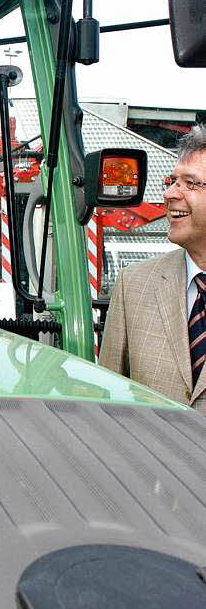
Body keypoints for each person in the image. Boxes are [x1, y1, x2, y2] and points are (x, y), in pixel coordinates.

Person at [99, 124, 206, 414]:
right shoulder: (133, 285)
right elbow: (108, 402)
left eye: (190, 183)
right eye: (172, 181)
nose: (170, 193)